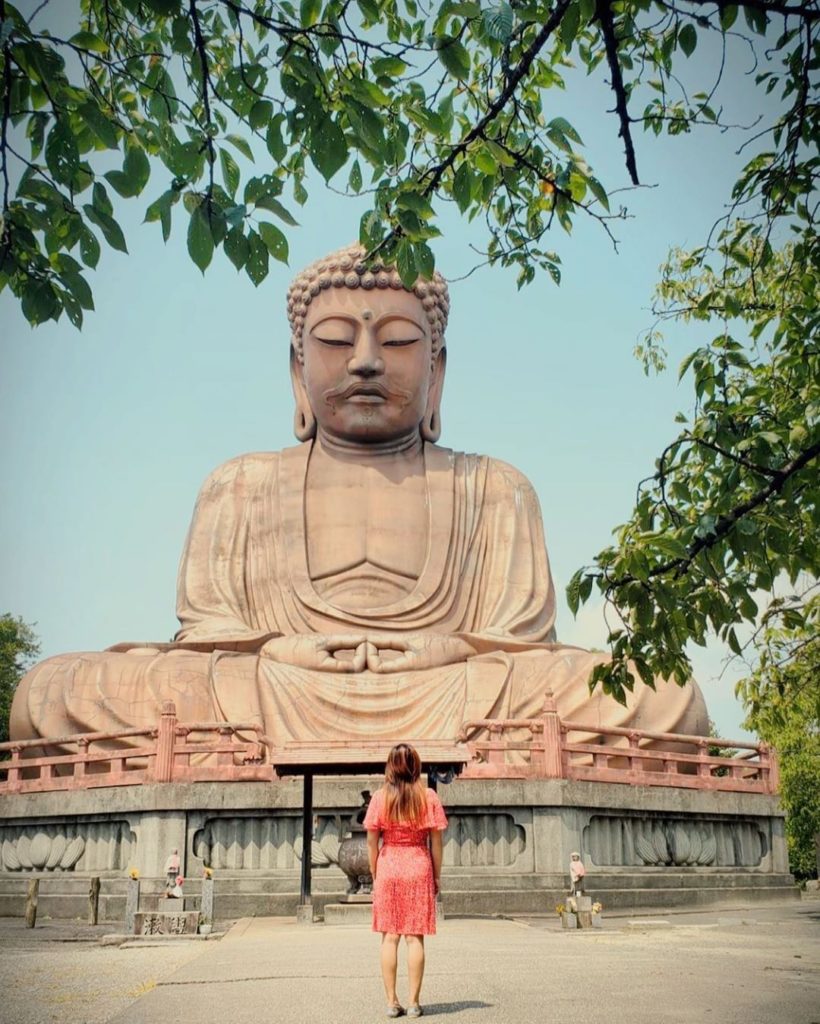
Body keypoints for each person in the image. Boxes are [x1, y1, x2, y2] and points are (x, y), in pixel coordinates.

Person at [365, 743, 448, 1019]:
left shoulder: (379, 798)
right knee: (415, 938)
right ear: (416, 765)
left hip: (389, 864)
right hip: (417, 864)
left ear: (390, 765)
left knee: (390, 937)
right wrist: (436, 876)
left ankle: (392, 1002)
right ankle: (413, 1002)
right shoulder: (429, 797)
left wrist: (376, 873)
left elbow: (371, 841)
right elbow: (436, 842)